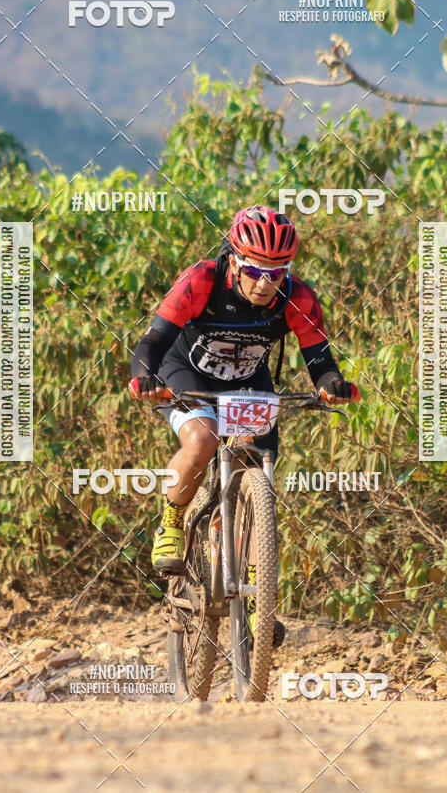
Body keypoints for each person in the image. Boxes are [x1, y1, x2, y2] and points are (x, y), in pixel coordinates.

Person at [129, 205, 355, 643]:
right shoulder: (201, 280)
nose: (265, 282)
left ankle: (255, 602)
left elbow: (320, 361)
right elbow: (153, 341)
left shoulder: (298, 297)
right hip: (185, 374)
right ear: (233, 258)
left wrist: (332, 385)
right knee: (204, 437)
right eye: (254, 270)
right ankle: (173, 521)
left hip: (248, 383)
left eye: (277, 271)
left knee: (255, 467)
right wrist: (145, 378)